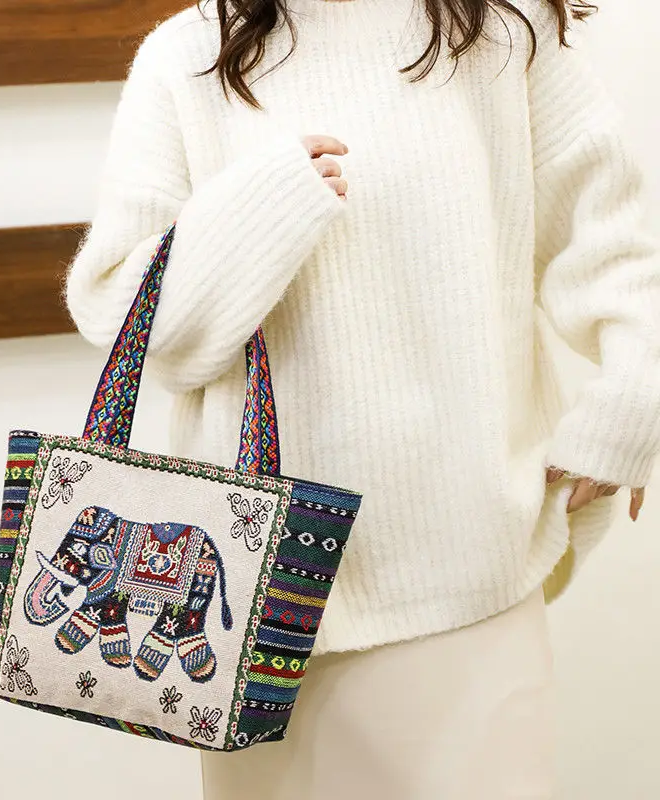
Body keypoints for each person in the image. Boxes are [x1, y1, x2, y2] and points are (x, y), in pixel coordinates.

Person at [64, 0, 660, 796]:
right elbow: (136, 327)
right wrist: (260, 210)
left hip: (470, 575)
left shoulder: (501, 35)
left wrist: (632, 400)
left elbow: (614, 247)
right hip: (255, 600)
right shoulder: (188, 57)